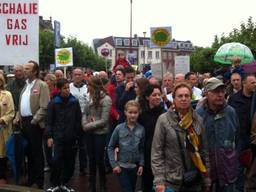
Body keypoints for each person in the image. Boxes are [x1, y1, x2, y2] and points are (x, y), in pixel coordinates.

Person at [151, 82, 210, 192]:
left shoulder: (198, 120)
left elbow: (204, 151)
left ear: (190, 98)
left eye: (187, 96)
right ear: (174, 99)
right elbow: (156, 153)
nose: (183, 99)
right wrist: (159, 180)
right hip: (171, 180)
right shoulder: (163, 120)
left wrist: (206, 178)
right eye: (180, 96)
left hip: (194, 178)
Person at [196, 77, 239, 192]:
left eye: (222, 91)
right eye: (216, 92)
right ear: (207, 93)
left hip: (227, 168)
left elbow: (237, 137)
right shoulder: (199, 115)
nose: (220, 95)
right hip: (207, 171)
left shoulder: (231, 112)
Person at [13, 60, 50, 189]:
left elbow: (44, 107)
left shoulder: (42, 85)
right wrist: (18, 117)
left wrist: (34, 120)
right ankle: (31, 179)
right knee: (28, 152)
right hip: (24, 122)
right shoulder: (26, 85)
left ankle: (39, 181)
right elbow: (21, 104)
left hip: (34, 123)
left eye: (27, 69)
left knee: (37, 153)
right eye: (24, 68)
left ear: (35, 71)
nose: (24, 70)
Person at [45, 78, 82, 192]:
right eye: (64, 88)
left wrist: (77, 135)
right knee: (56, 161)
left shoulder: (74, 102)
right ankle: (55, 184)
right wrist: (49, 136)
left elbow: (78, 119)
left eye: (68, 87)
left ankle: (65, 183)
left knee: (70, 162)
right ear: (59, 89)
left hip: (71, 137)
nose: (67, 90)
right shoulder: (53, 103)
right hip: (58, 137)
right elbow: (49, 121)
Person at [82, 76, 112, 192]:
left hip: (100, 133)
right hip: (89, 133)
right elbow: (85, 113)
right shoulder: (89, 97)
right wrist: (85, 123)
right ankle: (92, 184)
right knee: (91, 159)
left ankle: (103, 184)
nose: (87, 87)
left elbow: (104, 120)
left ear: (94, 86)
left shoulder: (106, 99)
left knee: (99, 160)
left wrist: (87, 126)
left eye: (89, 84)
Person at [108, 100, 144, 192]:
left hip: (134, 167)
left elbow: (141, 148)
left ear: (139, 113)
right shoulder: (119, 128)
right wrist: (114, 165)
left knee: (132, 188)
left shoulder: (141, 129)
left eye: (135, 112)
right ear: (125, 112)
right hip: (122, 167)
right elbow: (110, 147)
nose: (132, 115)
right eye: (130, 112)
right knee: (127, 189)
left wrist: (141, 164)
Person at [228, 74, 256, 191]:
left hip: (253, 138)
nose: (255, 85)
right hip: (239, 137)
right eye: (252, 83)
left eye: (255, 82)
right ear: (244, 83)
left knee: (253, 167)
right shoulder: (234, 98)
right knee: (238, 166)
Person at [138, 84, 165, 192]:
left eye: (159, 94)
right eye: (154, 95)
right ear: (147, 97)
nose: (158, 97)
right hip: (146, 154)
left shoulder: (164, 113)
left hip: (161, 154)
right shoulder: (141, 114)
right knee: (147, 184)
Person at [69, 68, 88, 176]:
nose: (77, 76)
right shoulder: (69, 87)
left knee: (83, 145)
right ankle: (70, 166)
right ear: (72, 75)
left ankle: (83, 167)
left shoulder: (87, 87)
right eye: (75, 74)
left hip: (84, 118)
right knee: (71, 144)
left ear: (83, 76)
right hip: (72, 119)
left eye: (79, 74)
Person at [0, 74, 15, 184]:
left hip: (2, 129)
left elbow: (11, 113)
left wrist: (2, 120)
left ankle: (2, 176)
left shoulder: (7, 94)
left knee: (2, 154)